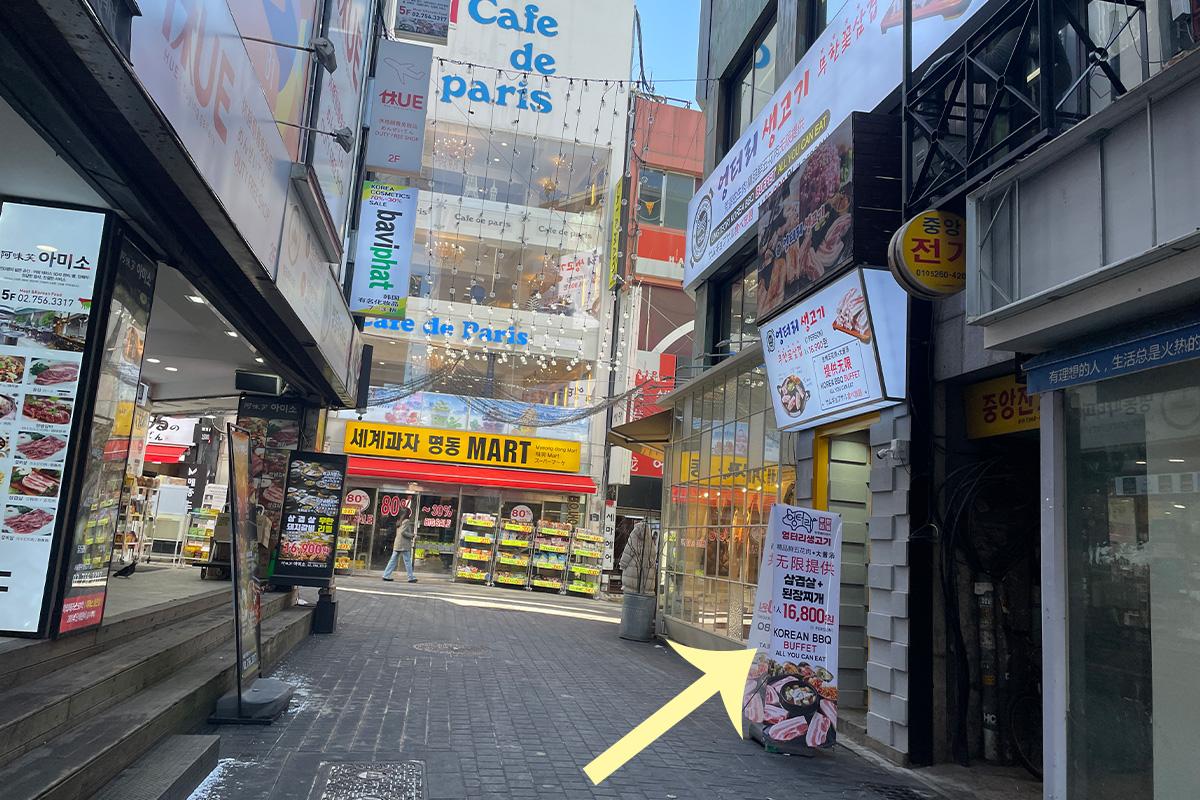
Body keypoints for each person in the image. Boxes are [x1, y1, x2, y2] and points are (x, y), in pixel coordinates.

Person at [620, 520, 656, 594]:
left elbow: (628, 551)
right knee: (644, 591)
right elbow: (653, 555)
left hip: (633, 568)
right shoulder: (649, 539)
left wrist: (623, 564)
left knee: (631, 592)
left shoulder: (634, 534)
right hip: (647, 572)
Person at [382, 507, 417, 583]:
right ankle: (410, 577)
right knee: (407, 561)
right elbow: (403, 532)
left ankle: (386, 575)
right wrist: (412, 535)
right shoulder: (406, 521)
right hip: (403, 544)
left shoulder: (399, 521)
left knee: (393, 560)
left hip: (398, 543)